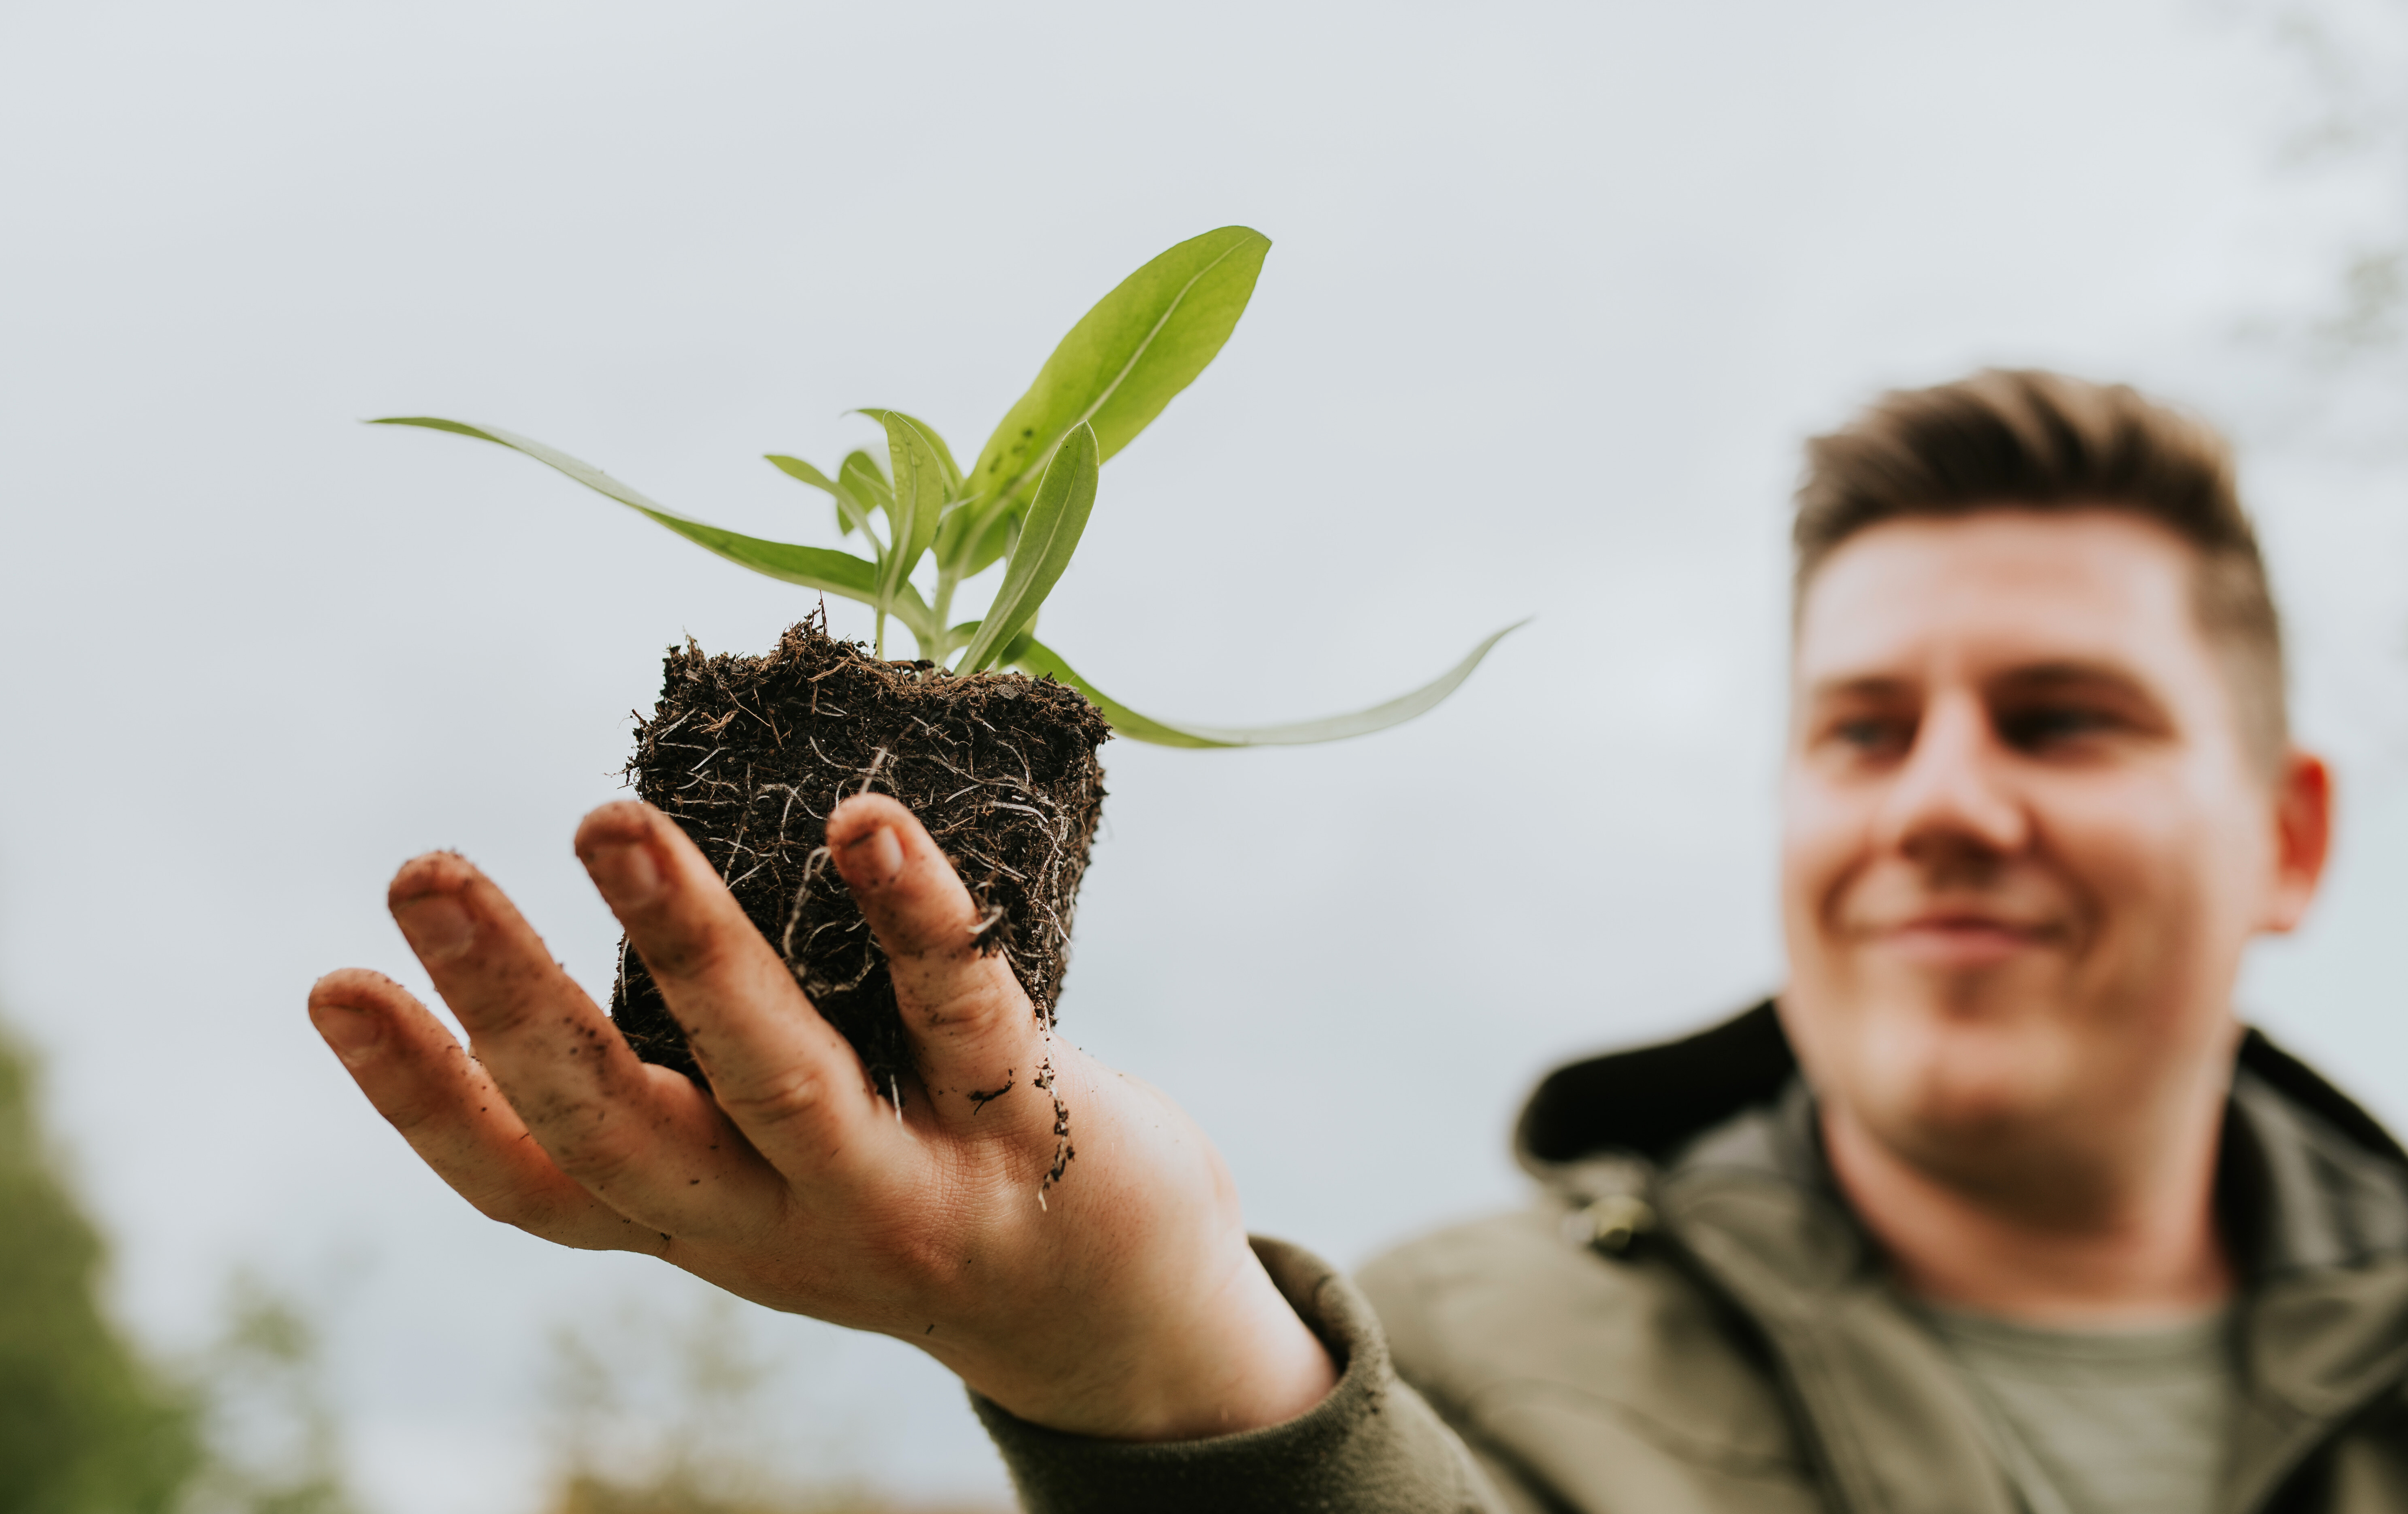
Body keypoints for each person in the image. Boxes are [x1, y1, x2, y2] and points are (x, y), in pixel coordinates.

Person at [307, 370, 2408, 1513]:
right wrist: (1143, 1356)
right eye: (1863, 726)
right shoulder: (1459, 1355)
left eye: (2065, 717)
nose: (1943, 794)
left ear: (2290, 835)